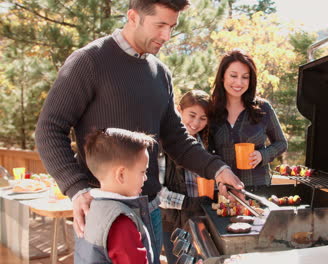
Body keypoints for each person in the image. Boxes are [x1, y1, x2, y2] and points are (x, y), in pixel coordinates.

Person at [34, 1, 244, 262]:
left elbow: (177, 140)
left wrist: (218, 169)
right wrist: (75, 188)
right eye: (160, 25)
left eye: (172, 26)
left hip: (151, 210)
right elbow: (48, 129)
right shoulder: (89, 61)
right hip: (104, 213)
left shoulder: (160, 74)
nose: (167, 36)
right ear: (133, 17)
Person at [75, 128, 156, 264]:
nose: (146, 178)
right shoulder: (121, 222)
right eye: (143, 171)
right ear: (121, 174)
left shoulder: (92, 207)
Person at [209, 49, 287, 187]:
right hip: (224, 192)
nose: (239, 82)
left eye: (245, 77)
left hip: (258, 190)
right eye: (233, 75)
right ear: (222, 77)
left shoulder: (263, 108)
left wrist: (262, 155)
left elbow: (281, 143)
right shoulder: (211, 111)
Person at [158, 90, 211, 264]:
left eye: (203, 118)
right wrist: (189, 203)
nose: (196, 123)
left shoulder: (204, 144)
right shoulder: (163, 144)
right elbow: (157, 193)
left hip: (200, 219)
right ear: (179, 110)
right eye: (192, 115)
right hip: (173, 221)